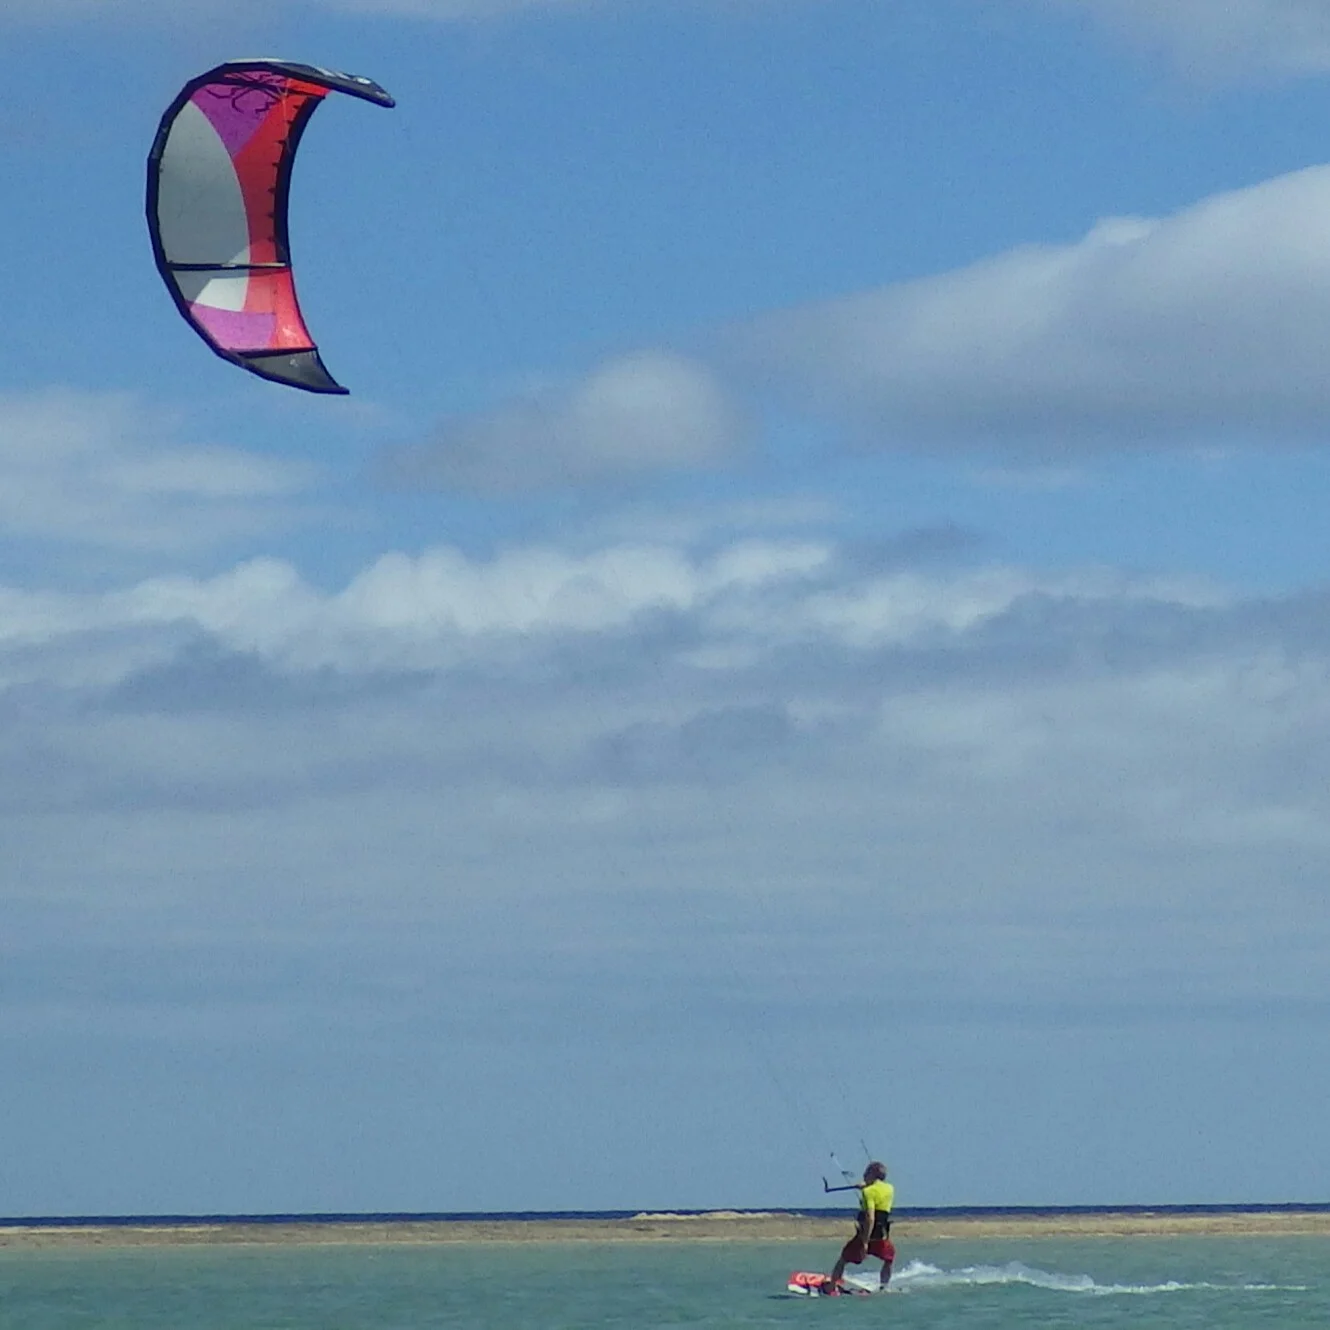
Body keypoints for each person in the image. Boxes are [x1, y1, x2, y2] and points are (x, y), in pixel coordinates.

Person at [826, 1161, 895, 1292]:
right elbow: (878, 1190)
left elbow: (871, 1217)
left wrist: (864, 1242)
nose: (863, 1176)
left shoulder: (868, 1192)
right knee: (889, 1258)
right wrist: (866, 1186)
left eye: (866, 1173)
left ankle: (831, 1286)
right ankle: (884, 1287)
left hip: (867, 1233)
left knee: (843, 1259)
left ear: (872, 1174)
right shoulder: (890, 1188)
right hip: (882, 1234)